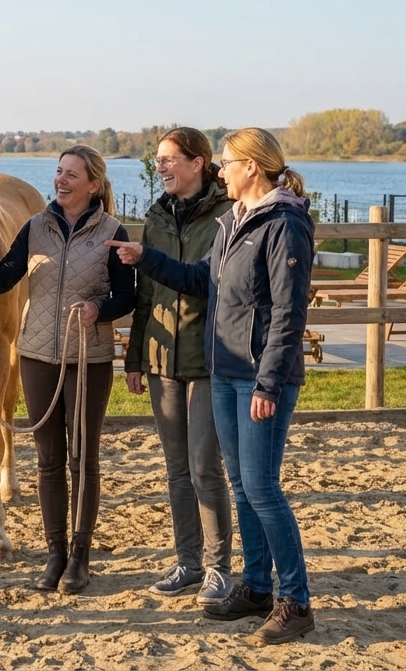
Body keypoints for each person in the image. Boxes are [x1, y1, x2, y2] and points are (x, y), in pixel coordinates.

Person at [107, 127, 316, 645]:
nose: (221, 171)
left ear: (252, 167)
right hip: (224, 372)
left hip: (260, 378)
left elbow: (290, 313)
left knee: (264, 488)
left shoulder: (284, 223)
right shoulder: (234, 221)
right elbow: (204, 281)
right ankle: (258, 586)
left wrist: (269, 383)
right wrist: (146, 260)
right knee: (243, 486)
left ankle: (296, 601)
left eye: (226, 163)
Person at [0, 145, 135, 595]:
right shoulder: (35, 228)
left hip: (89, 358)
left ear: (93, 184)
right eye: (58, 172)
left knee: (82, 459)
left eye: (71, 174)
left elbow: (129, 297)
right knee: (48, 462)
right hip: (37, 357)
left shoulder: (111, 232)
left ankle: (80, 558)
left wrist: (99, 308)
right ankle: (55, 555)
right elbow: (4, 277)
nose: (61, 180)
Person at [128, 128, 238, 606]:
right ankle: (188, 562)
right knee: (176, 469)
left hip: (208, 358)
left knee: (203, 468)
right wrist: (135, 356)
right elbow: (145, 294)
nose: (162, 168)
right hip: (160, 360)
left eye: (170, 159)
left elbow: (210, 284)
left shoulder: (227, 215)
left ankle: (219, 570)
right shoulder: (155, 217)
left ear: (198, 163)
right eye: (158, 161)